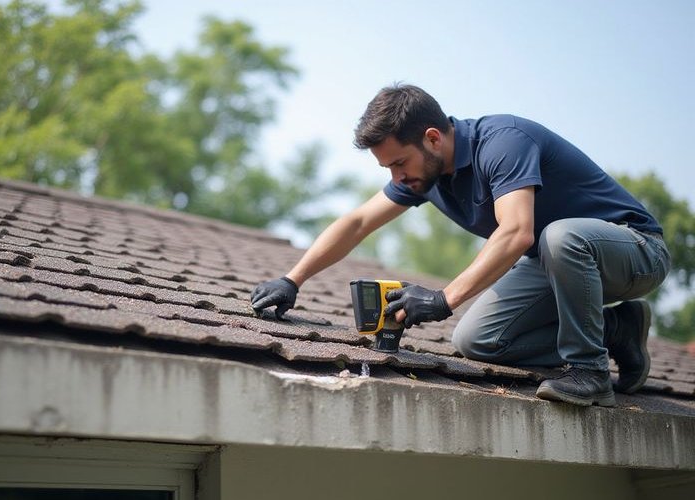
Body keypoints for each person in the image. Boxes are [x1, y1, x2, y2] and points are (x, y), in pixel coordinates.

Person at [250, 83, 671, 407]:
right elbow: (358, 221)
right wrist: (293, 278)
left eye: (399, 163)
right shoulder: (425, 176)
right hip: (553, 261)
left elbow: (516, 232)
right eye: (387, 167)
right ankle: (618, 329)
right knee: (478, 340)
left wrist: (442, 298)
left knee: (559, 234)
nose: (396, 177)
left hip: (634, 250)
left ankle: (588, 371)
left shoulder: (503, 142)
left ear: (433, 138)